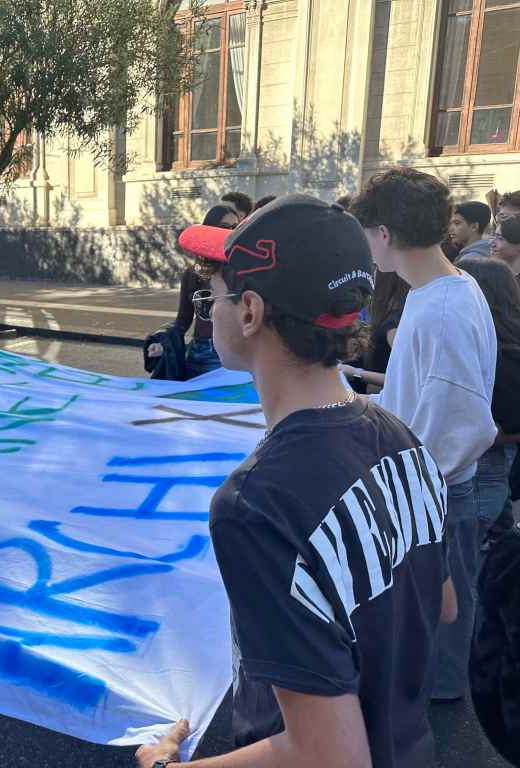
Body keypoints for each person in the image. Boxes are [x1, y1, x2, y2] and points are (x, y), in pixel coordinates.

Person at [137, 195, 452, 768]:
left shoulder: (255, 503)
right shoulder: (402, 438)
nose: (211, 313)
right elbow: (443, 602)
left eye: (215, 298)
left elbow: (330, 756)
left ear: (251, 312)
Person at [351, 167, 497, 703]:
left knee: (436, 637)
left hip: (433, 497)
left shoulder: (440, 310)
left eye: (366, 236)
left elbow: (457, 425)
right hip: (431, 490)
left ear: (383, 234)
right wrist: (369, 404)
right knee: (432, 625)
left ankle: (428, 722)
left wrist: (398, 484)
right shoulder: (447, 289)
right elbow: (424, 395)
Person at [457, 257, 520, 548]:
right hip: (490, 478)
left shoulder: (501, 355)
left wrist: (478, 434)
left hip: (479, 476)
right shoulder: (497, 345)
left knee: (467, 570)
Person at [149, 205, 239, 378]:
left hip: (230, 352)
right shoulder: (193, 274)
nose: (231, 232)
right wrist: (162, 343)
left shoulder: (242, 270)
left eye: (236, 227)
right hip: (200, 352)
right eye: (226, 227)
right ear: (210, 229)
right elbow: (183, 320)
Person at [339, 270, 410, 391]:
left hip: (379, 397)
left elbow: (407, 379)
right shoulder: (389, 316)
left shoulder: (394, 327)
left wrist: (356, 373)